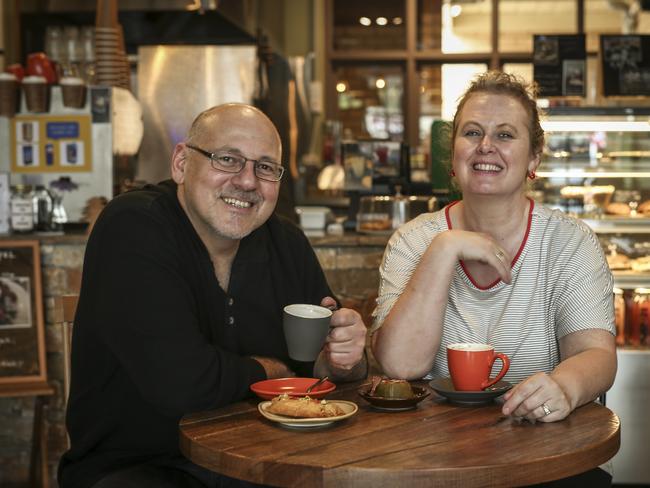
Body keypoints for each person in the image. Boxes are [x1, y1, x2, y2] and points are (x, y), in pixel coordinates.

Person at [59, 103, 368, 488]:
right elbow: (182, 384)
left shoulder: (286, 242)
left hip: (269, 461)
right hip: (140, 466)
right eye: (228, 160)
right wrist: (276, 371)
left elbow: (321, 372)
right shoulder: (133, 227)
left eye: (266, 167)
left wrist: (346, 361)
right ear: (181, 163)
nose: (248, 181)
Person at [371, 71, 616, 484]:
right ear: (454, 155)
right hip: (429, 459)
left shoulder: (570, 242)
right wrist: (444, 249)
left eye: (505, 135)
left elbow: (596, 354)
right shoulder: (414, 241)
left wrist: (565, 387)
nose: (486, 146)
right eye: (472, 133)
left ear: (534, 157)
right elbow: (400, 365)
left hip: (545, 457)